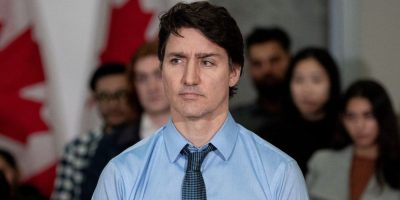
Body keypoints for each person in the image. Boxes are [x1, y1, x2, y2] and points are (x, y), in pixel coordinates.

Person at [92, 1, 308, 199]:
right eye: (177, 60)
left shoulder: (278, 172)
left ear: (233, 72)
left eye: (206, 62)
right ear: (162, 70)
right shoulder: (121, 174)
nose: (189, 78)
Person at [79, 41, 170, 199]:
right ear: (133, 86)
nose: (152, 87)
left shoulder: (203, 134)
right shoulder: (111, 144)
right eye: (142, 78)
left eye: (158, 75)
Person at [52, 63, 137, 200]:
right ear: (95, 100)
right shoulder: (78, 148)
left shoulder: (150, 138)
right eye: (104, 96)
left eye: (121, 94)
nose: (113, 104)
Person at [307, 79, 400, 200]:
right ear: (342, 120)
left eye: (368, 116)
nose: (359, 126)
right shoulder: (322, 161)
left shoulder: (395, 165)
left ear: (382, 118)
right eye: (351, 117)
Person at [268, 47, 341, 175]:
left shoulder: (346, 132)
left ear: (332, 84)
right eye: (299, 80)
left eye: (316, 80)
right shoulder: (271, 137)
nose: (307, 90)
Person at [231, 27, 291, 137]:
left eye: (274, 60)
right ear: (249, 69)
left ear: (290, 59)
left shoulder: (311, 116)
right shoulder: (235, 122)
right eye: (257, 63)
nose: (266, 70)